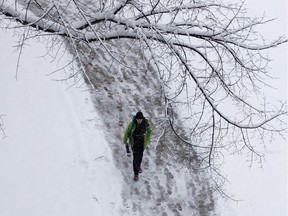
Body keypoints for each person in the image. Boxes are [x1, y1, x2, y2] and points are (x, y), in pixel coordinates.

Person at [123, 111, 152, 181]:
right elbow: (127, 132)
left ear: (142, 119)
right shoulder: (132, 124)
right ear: (136, 118)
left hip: (142, 142)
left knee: (140, 156)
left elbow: (150, 130)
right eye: (138, 119)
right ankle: (136, 173)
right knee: (135, 157)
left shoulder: (146, 123)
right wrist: (125, 141)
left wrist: (147, 139)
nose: (139, 120)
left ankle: (138, 166)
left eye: (140, 119)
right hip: (134, 142)